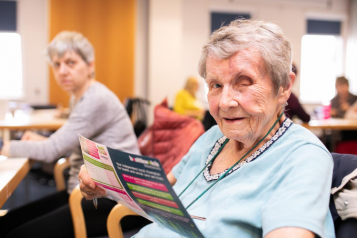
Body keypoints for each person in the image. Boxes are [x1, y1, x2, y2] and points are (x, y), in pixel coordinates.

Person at [79, 20, 335, 238]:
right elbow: (157, 198)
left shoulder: (302, 157)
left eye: (243, 83)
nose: (224, 102)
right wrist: (108, 182)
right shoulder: (213, 138)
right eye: (215, 85)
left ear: (284, 88)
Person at [0, 31, 147, 238]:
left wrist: (2, 146)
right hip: (87, 193)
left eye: (71, 62)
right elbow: (63, 144)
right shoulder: (79, 97)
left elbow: (52, 151)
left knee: (15, 233)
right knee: (7, 224)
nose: (62, 71)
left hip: (114, 199)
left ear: (90, 66)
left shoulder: (95, 99)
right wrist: (44, 140)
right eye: (57, 65)